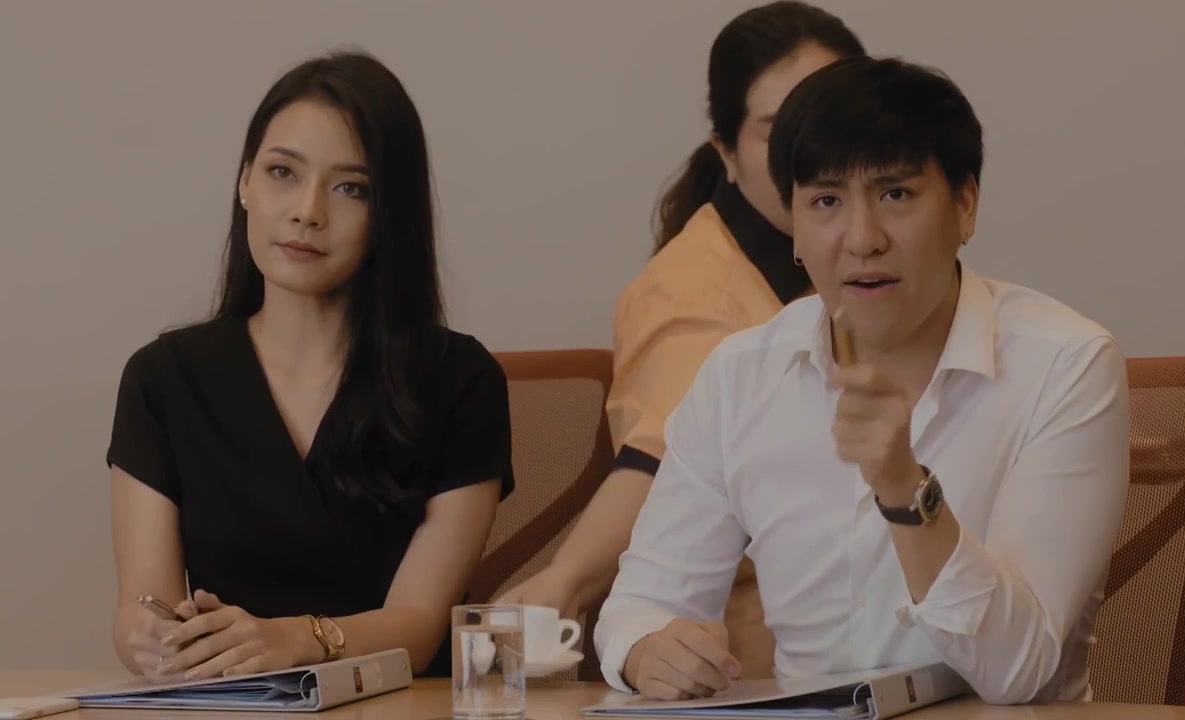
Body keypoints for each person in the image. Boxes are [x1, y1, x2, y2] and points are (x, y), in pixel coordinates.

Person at [593, 55, 1131, 704]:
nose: (862, 238)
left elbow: (1017, 671)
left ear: (965, 206)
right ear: (793, 226)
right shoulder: (741, 375)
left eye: (895, 195)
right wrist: (648, 651)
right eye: (826, 201)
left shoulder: (1065, 365)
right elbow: (641, 605)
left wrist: (905, 489)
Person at [106, 50, 513, 683]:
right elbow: (142, 605)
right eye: (282, 172)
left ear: (391, 213)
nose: (307, 211)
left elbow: (419, 622)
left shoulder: (460, 381)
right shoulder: (162, 379)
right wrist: (151, 637)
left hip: (400, 706)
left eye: (351, 188)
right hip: (232, 707)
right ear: (245, 182)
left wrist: (295, 639)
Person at [497, 1, 866, 680]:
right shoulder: (697, 292)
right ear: (727, 153)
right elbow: (662, 457)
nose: (812, 152)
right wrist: (568, 581)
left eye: (836, 121)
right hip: (767, 669)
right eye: (779, 132)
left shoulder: (871, 270)